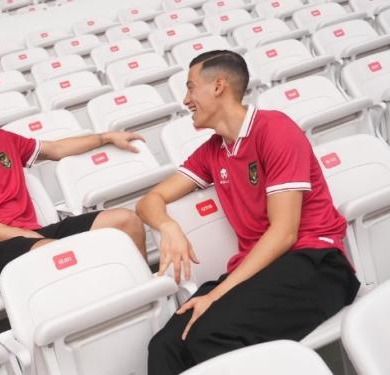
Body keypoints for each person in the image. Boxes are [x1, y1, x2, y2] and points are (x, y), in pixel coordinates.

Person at [135, 50, 360, 374]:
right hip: (260, 271)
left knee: (208, 335)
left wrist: (216, 296)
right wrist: (168, 226)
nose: (185, 100)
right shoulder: (212, 151)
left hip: (317, 264)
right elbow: (149, 201)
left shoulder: (275, 129)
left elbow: (285, 234)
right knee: (165, 346)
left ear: (218, 86)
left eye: (190, 87)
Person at [0, 64, 147, 294]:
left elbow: (56, 149)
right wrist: (26, 235)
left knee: (126, 221)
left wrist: (106, 137)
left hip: (33, 237)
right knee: (55, 253)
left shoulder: (0, 138)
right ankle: (107, 306)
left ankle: (143, 294)